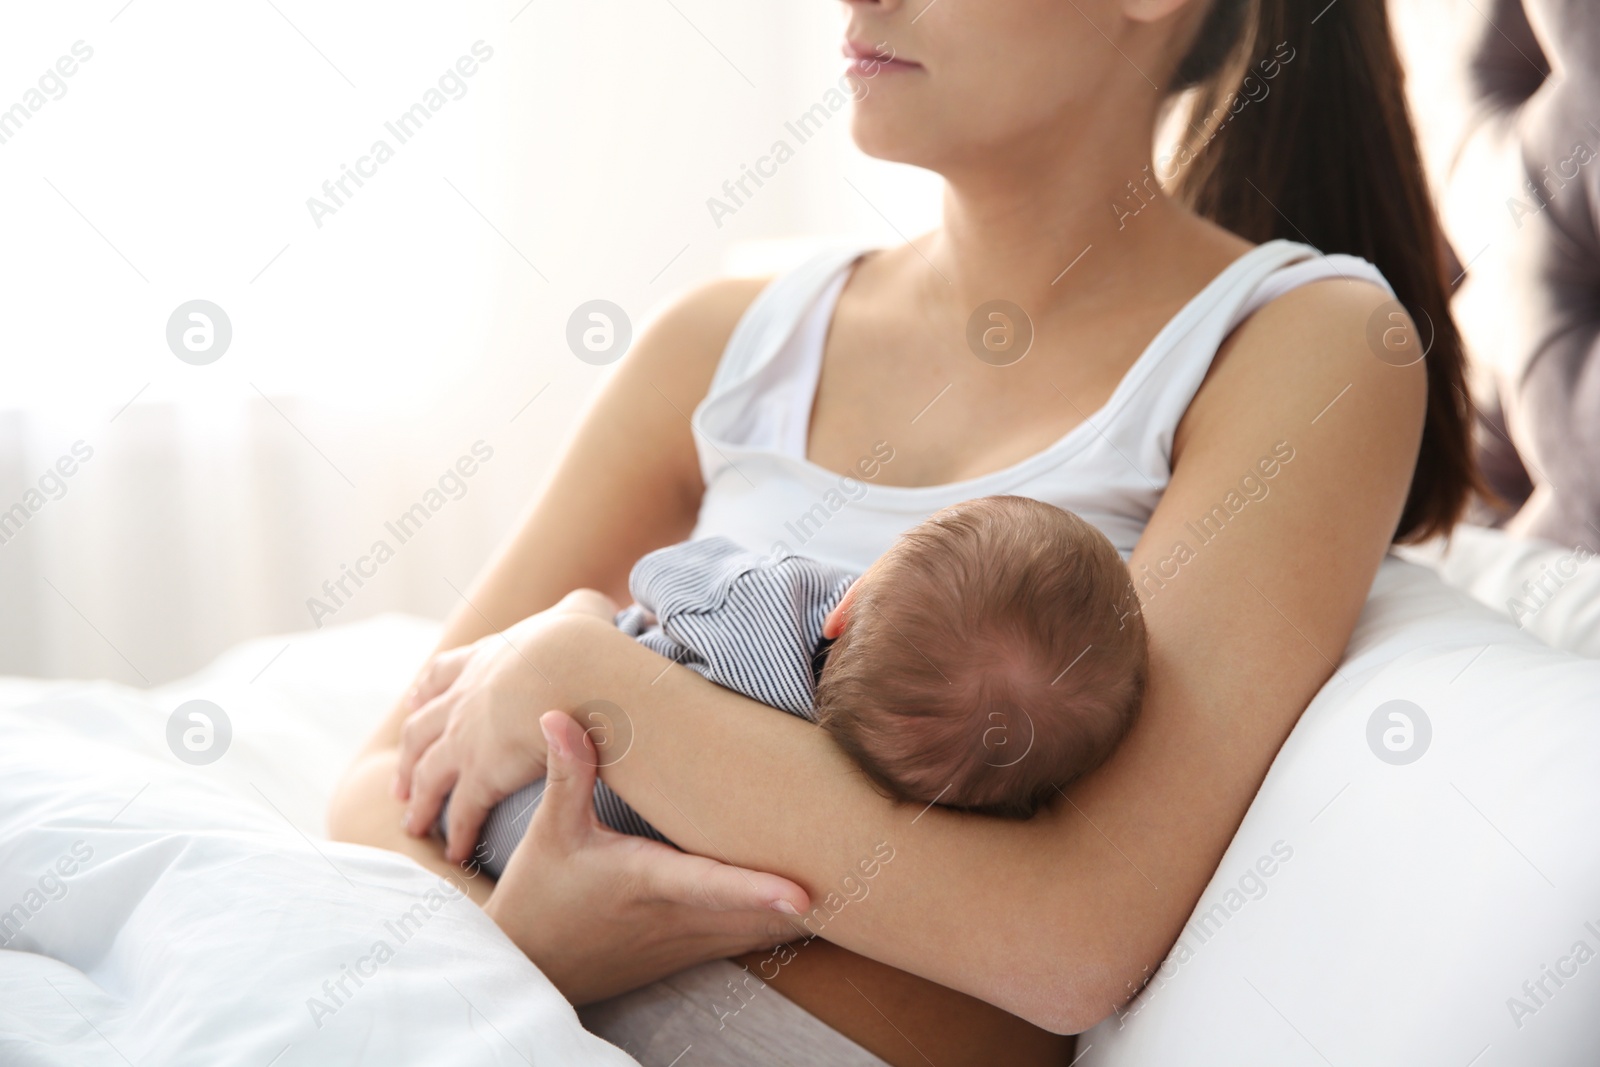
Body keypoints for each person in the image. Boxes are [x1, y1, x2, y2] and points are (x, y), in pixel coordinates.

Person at [327, 0, 1475, 1062]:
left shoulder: (1310, 341)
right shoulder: (728, 337)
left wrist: (587, 680)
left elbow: (1067, 940)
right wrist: (531, 938)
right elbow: (378, 783)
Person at [450, 496, 1147, 879]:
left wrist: (583, 617)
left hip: (518, 780)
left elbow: (660, 575)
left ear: (845, 608)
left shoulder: (765, 599)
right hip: (560, 853)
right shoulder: (944, 801)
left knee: (593, 612)